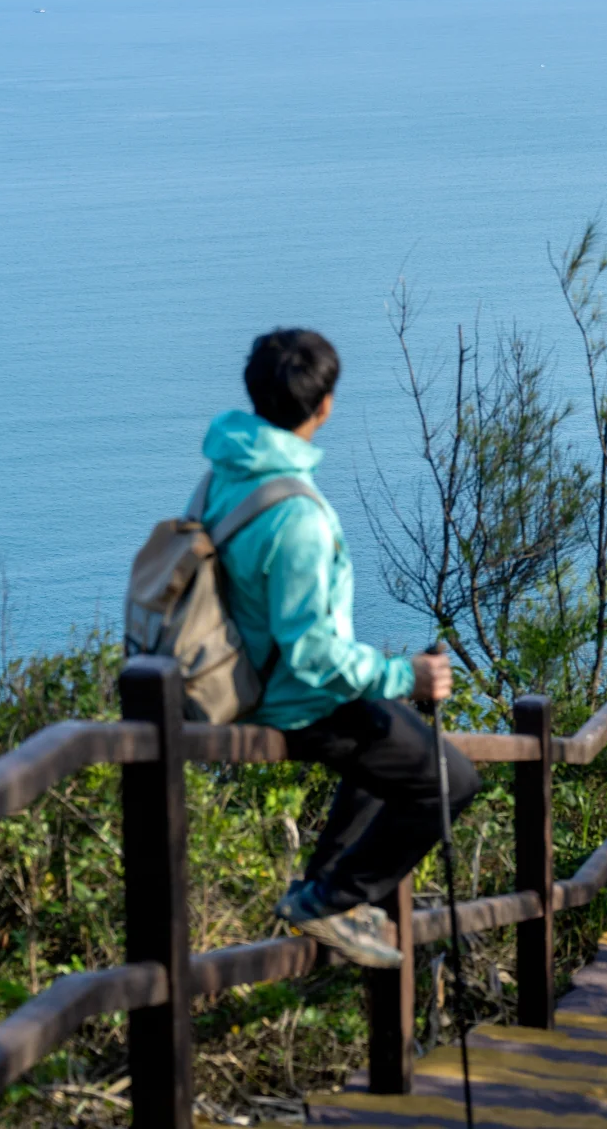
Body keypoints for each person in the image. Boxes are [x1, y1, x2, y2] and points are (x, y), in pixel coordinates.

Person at [193, 327, 480, 968]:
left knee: (390, 733)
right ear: (324, 406)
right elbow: (313, 654)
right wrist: (406, 674)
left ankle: (325, 887)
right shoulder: (298, 515)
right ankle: (330, 900)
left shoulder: (223, 477)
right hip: (289, 700)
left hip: (231, 679)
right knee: (450, 779)